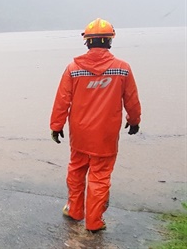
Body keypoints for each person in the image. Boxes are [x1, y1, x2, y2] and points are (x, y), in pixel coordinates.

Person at [50, 18, 142, 233]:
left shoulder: (73, 69)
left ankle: (74, 211)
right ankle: (94, 222)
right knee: (100, 177)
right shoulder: (122, 69)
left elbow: (62, 100)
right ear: (109, 41)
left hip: (80, 133)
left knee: (76, 169)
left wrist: (56, 125)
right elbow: (132, 100)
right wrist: (134, 121)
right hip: (106, 135)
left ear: (87, 42)